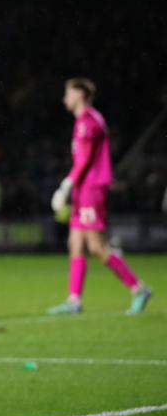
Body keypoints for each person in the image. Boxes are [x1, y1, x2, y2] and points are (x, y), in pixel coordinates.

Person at [49, 78, 152, 315]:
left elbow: (84, 159)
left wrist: (66, 185)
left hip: (91, 189)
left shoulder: (88, 123)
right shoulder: (84, 122)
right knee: (75, 243)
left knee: (96, 247)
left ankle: (138, 289)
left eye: (68, 93)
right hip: (83, 188)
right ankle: (74, 300)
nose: (65, 98)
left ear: (80, 95)